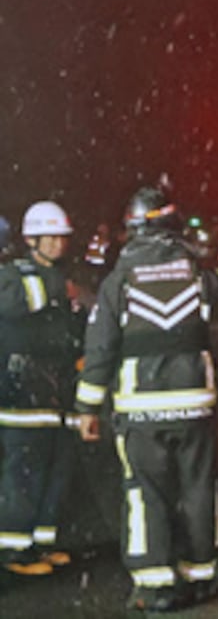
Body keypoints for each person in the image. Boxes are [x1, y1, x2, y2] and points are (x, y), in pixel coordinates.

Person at [75, 185, 218, 612]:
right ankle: (200, 575)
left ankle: (156, 585)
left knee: (146, 491)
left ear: (132, 229)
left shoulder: (119, 282)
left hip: (140, 409)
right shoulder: (197, 275)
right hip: (195, 406)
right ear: (173, 225)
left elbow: (100, 348)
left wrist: (88, 408)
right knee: (199, 487)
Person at [0, 201, 85, 577]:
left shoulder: (65, 279)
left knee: (57, 469)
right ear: (31, 240)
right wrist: (55, 289)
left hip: (56, 390)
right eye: (49, 237)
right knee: (24, 472)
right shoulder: (12, 276)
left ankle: (42, 541)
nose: (57, 244)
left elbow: (73, 326)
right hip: (22, 390)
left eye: (61, 237)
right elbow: (12, 307)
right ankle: (14, 549)